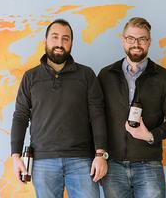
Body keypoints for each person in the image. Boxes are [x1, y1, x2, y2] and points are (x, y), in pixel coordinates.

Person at [11, 19, 108, 198]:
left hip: (81, 160)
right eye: (55, 37)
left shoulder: (86, 75)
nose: (60, 43)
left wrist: (101, 153)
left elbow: (97, 114)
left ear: (71, 43)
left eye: (65, 39)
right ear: (45, 40)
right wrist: (15, 155)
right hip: (42, 161)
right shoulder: (30, 77)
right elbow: (20, 116)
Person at [98, 17, 166, 198]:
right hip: (113, 165)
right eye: (131, 38)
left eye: (142, 39)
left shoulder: (164, 78)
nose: (136, 44)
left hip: (149, 166)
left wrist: (150, 135)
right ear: (123, 40)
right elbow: (96, 116)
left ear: (149, 42)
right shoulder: (106, 75)